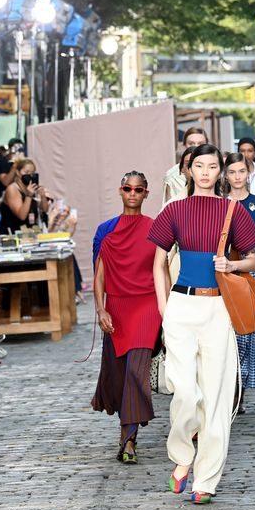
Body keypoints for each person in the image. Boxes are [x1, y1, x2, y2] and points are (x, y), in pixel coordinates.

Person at [148, 144, 255, 505]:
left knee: (216, 397)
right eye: (199, 165)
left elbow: (253, 260)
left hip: (218, 308)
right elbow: (158, 263)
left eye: (213, 166)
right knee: (184, 390)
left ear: (221, 171)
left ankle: (206, 481)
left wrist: (233, 265)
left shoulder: (233, 211)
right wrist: (165, 309)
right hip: (180, 306)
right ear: (189, 169)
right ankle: (183, 456)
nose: (206, 172)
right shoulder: (174, 209)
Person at [91, 171, 160, 464]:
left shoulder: (156, 228)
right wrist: (101, 309)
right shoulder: (106, 230)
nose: (133, 193)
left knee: (136, 370)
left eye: (138, 189)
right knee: (119, 373)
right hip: (118, 306)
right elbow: (99, 275)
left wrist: (168, 310)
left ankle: (129, 439)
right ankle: (126, 434)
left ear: (146, 193)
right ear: (120, 191)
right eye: (128, 188)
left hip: (148, 305)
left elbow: (163, 270)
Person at [223, 153, 255, 407]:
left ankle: (239, 389)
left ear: (249, 174)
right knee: (229, 332)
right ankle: (231, 387)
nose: (237, 177)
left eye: (241, 171)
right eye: (232, 172)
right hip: (225, 272)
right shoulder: (219, 204)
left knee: (250, 329)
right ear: (225, 175)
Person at [0, 158, 44, 234]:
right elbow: (22, 215)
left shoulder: (30, 188)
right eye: (27, 172)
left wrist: (43, 196)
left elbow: (44, 210)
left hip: (28, 233)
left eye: (32, 173)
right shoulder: (12, 189)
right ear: (18, 172)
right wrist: (29, 196)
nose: (30, 175)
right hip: (12, 233)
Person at [163, 127, 208, 203]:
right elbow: (168, 206)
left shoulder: (216, 170)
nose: (196, 146)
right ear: (184, 146)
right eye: (191, 143)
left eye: (200, 143)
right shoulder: (173, 175)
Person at [0, 137, 23, 210]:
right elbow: (6, 182)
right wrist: (15, 164)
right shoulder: (1, 162)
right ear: (10, 149)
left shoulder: (22, 163)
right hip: (2, 200)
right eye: (15, 148)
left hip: (17, 197)